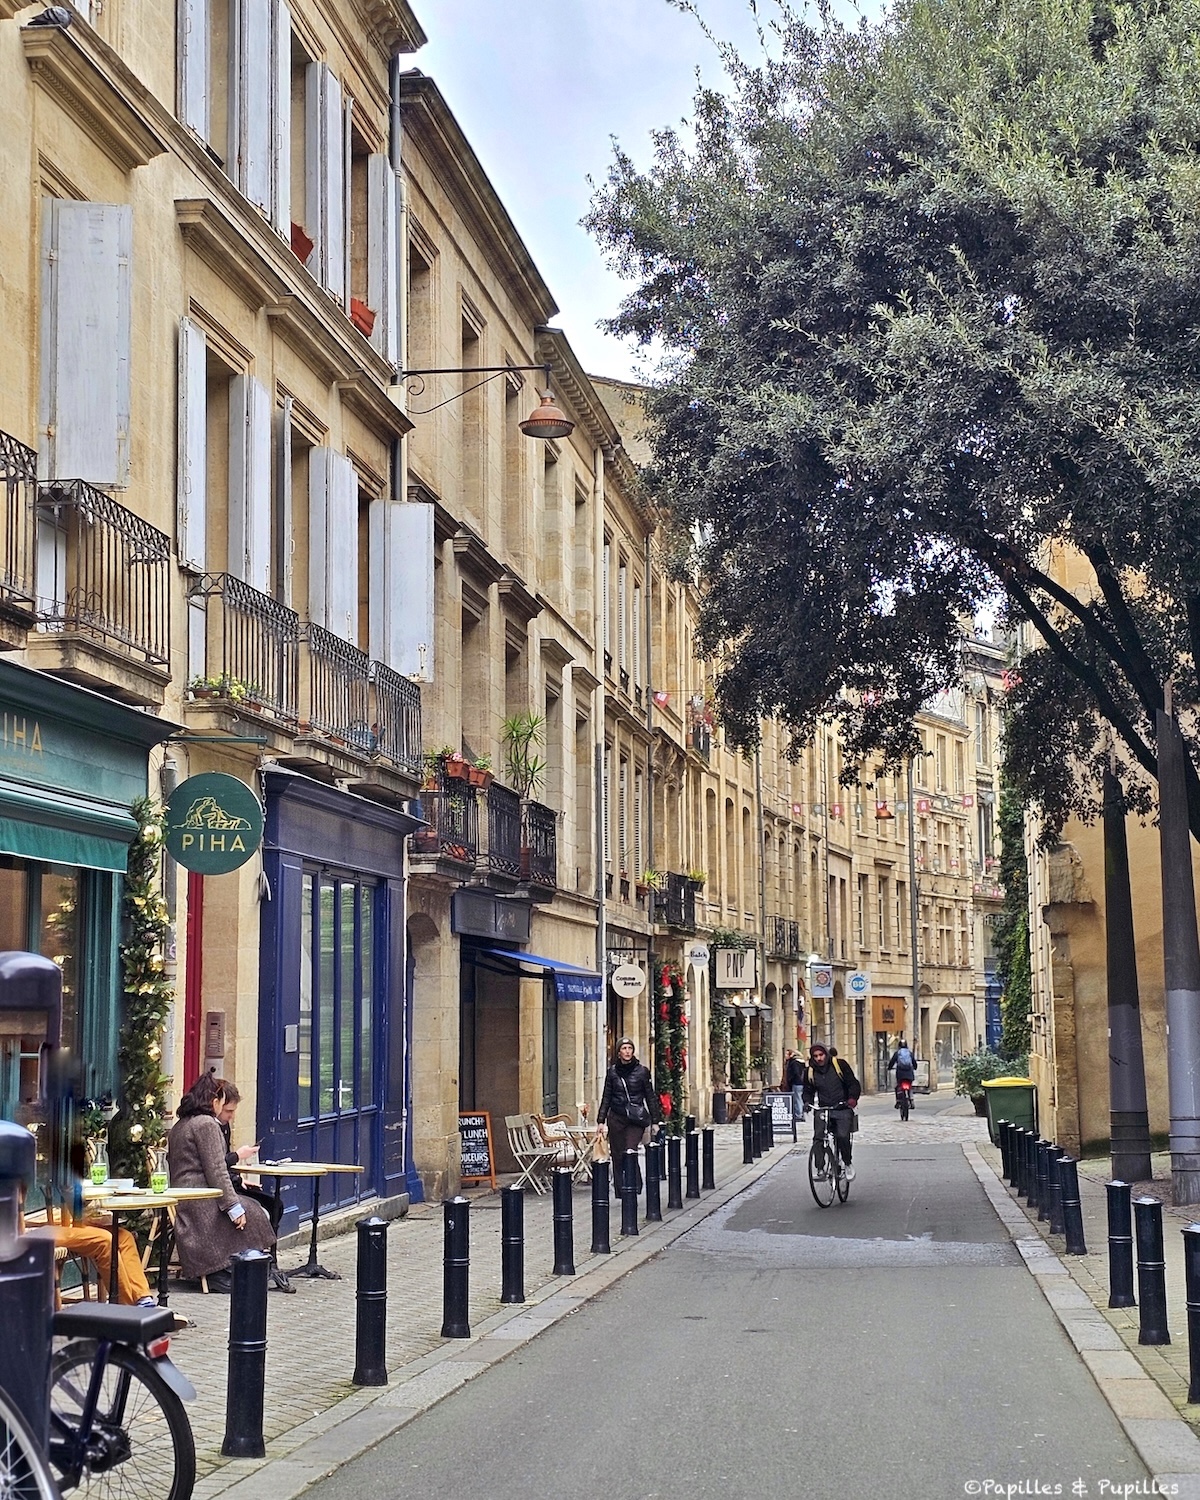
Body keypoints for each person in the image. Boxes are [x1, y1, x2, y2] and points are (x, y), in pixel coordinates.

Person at [167, 1072, 275, 1292]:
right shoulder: (206, 1124)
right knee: (255, 1211)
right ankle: (225, 1269)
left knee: (254, 1208)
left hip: (187, 1198)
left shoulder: (182, 1124)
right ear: (213, 1102)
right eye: (224, 1105)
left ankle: (228, 1267)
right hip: (200, 1199)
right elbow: (216, 1169)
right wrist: (233, 1207)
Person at [214, 1079, 284, 1232]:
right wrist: (238, 1155)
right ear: (216, 1104)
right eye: (228, 1111)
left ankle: (264, 1251)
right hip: (217, 1193)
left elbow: (223, 1165)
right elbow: (214, 1165)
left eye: (233, 1111)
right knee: (260, 1211)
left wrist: (239, 1179)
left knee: (275, 1205)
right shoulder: (208, 1127)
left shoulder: (224, 1126)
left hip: (229, 1185)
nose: (231, 1116)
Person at [597, 1036, 661, 1192]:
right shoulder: (612, 1073)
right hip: (616, 1118)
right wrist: (601, 1120)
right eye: (624, 1049)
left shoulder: (642, 1072)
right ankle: (619, 1188)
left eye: (630, 1048)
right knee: (617, 1154)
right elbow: (607, 1097)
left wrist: (656, 1121)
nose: (627, 1051)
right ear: (619, 1052)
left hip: (635, 1119)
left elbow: (650, 1096)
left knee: (630, 1150)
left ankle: (635, 1185)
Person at [800, 1042, 861, 1181]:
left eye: (821, 1055)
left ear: (826, 1054)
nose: (819, 1058)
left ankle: (847, 1162)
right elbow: (808, 1090)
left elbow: (852, 1083)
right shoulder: (810, 1071)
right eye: (815, 1056)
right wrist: (807, 1102)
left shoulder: (840, 1065)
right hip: (823, 1108)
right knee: (818, 1138)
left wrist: (852, 1099)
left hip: (842, 1107)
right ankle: (820, 1168)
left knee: (842, 1135)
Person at [888, 1039, 917, 1110]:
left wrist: (889, 1068)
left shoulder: (897, 1053)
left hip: (900, 1074)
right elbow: (914, 1063)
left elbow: (892, 1062)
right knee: (909, 1087)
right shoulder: (909, 1053)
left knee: (898, 1086)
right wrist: (915, 1067)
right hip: (909, 1073)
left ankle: (898, 1101)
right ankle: (911, 1100)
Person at [782, 1048, 805, 1121]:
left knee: (797, 1098)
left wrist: (790, 1079)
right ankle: (800, 1113)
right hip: (800, 1083)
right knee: (799, 1098)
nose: (785, 1056)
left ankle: (798, 1114)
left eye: (786, 1054)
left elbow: (795, 1072)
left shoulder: (794, 1062)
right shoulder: (800, 1062)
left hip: (796, 1082)